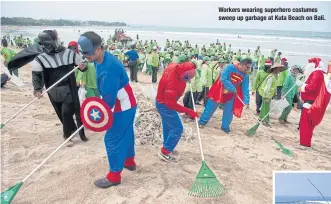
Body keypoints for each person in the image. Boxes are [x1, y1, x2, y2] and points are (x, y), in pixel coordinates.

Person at [78, 31, 137, 188]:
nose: (86, 57)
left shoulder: (109, 70)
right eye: (84, 54)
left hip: (121, 105)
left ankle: (114, 176)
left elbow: (107, 104)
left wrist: (93, 116)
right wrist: (86, 66)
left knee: (111, 138)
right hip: (129, 102)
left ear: (98, 49)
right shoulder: (101, 57)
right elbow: (93, 63)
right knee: (127, 132)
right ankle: (129, 161)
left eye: (88, 54)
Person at [32, 30, 88, 146]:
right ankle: (71, 130)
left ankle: (67, 136)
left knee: (66, 112)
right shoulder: (40, 59)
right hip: (53, 91)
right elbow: (37, 75)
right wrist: (37, 89)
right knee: (60, 113)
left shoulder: (69, 53)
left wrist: (82, 66)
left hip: (69, 89)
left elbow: (82, 66)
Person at [156, 61, 197, 162]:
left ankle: (167, 147)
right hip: (165, 105)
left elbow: (171, 63)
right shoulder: (172, 84)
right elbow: (171, 105)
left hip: (163, 101)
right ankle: (165, 152)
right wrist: (188, 111)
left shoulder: (175, 67)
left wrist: (189, 77)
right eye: (187, 78)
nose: (188, 81)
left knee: (168, 126)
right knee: (177, 128)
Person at [198, 58, 251, 133]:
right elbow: (223, 79)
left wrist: (246, 101)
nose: (248, 69)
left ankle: (225, 127)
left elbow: (245, 89)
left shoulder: (245, 76)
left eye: (249, 67)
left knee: (229, 111)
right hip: (219, 90)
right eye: (247, 67)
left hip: (230, 94)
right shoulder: (229, 67)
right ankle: (202, 122)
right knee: (210, 107)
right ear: (242, 65)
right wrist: (232, 88)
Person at [298, 58, 331, 148]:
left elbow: (312, 87)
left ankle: (304, 143)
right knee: (309, 125)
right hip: (315, 103)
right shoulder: (322, 74)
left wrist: (302, 86)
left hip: (310, 103)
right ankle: (306, 142)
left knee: (306, 125)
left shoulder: (316, 73)